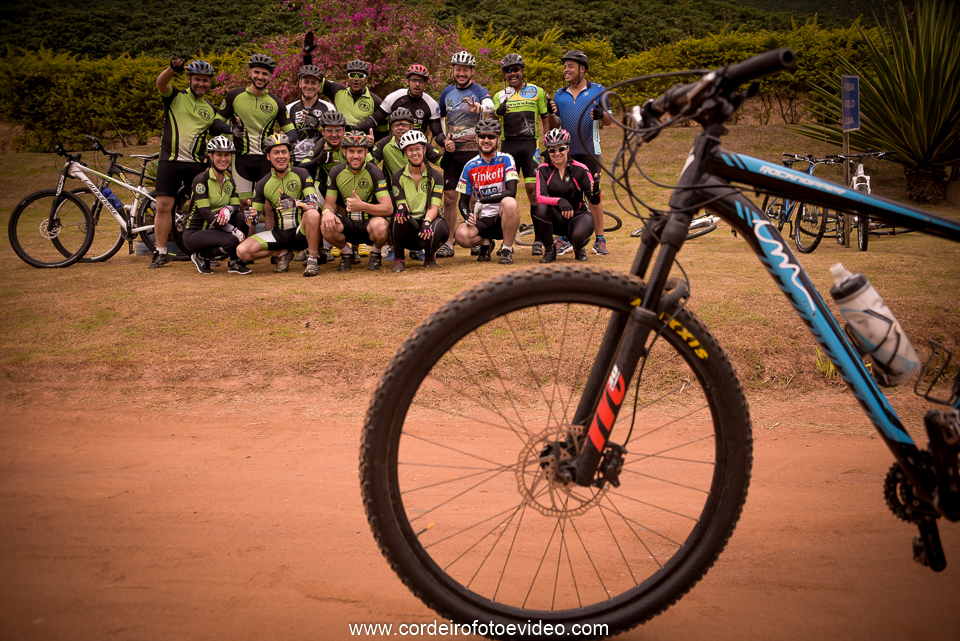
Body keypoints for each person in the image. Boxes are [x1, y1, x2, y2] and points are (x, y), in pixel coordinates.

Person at [150, 58, 233, 269]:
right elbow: (161, 83)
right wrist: (172, 69)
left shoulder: (210, 109)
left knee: (204, 207)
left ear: (210, 82)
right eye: (197, 79)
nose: (201, 83)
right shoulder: (175, 97)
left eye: (205, 80)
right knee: (163, 206)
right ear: (189, 79)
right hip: (170, 160)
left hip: (196, 164)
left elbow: (219, 131)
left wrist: (234, 129)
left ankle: (205, 252)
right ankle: (161, 252)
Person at [235, 133, 323, 277]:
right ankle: (282, 252)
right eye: (276, 153)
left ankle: (312, 260)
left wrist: (294, 203)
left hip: (300, 232)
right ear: (268, 156)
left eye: (284, 152)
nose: (280, 156)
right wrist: (249, 216)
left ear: (289, 154)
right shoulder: (263, 183)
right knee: (242, 251)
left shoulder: (302, 173)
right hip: (279, 234)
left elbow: (314, 204)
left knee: (312, 214)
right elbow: (254, 221)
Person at [215, 54, 298, 208]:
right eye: (257, 72)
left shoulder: (276, 102)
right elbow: (216, 122)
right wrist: (231, 129)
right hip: (241, 159)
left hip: (265, 161)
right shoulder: (234, 96)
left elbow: (292, 132)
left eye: (264, 74)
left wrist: (282, 142)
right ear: (250, 73)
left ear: (270, 76)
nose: (260, 77)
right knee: (243, 204)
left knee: (268, 205)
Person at [553, 50, 614, 255]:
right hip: (566, 153)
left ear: (582, 69)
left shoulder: (598, 90)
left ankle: (600, 239)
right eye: (564, 66)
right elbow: (555, 124)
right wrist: (551, 114)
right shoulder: (559, 94)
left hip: (590, 151)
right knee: (565, 194)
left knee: (593, 195)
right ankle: (565, 238)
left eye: (570, 66)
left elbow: (609, 122)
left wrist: (601, 114)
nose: (566, 70)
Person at [436, 51, 495, 259]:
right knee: (450, 198)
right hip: (453, 153)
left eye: (465, 70)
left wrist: (481, 107)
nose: (461, 73)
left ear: (472, 71)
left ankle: (476, 237)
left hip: (474, 153)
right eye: (458, 69)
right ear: (452, 70)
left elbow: (490, 105)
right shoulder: (446, 92)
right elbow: (440, 118)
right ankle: (448, 242)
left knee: (474, 198)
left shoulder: (479, 90)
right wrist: (444, 141)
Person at [492, 53, 553, 256]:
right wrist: (497, 113)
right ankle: (505, 242)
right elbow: (491, 123)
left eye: (516, 69)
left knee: (533, 193)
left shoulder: (536, 91)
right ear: (504, 74)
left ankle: (538, 239)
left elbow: (545, 119)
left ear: (522, 70)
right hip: (507, 148)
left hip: (530, 147)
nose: (512, 74)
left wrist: (547, 145)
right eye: (508, 71)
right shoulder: (499, 96)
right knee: (506, 194)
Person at [319, 132, 393, 271]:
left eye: (360, 151)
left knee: (381, 226)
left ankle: (376, 252)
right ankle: (347, 253)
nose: (356, 156)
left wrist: (362, 206)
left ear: (366, 152)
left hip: (369, 223)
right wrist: (327, 212)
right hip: (347, 224)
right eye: (351, 151)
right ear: (344, 152)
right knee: (325, 225)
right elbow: (328, 203)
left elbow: (388, 208)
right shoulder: (335, 172)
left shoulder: (375, 172)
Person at [453, 119, 520, 265]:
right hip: (481, 220)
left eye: (491, 136)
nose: (486, 140)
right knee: (460, 235)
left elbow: (511, 192)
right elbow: (463, 201)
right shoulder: (469, 166)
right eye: (482, 136)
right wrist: (467, 215)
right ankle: (486, 243)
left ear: (498, 139)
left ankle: (507, 249)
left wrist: (483, 200)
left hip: (501, 218)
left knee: (510, 202)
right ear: (477, 139)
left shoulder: (507, 159)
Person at [182, 136, 251, 274]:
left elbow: (237, 206)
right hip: (195, 232)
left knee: (242, 218)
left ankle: (234, 262)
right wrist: (233, 230)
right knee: (232, 241)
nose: (223, 159)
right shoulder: (201, 180)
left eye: (227, 155)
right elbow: (206, 214)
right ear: (211, 156)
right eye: (219, 154)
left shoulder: (230, 181)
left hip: (215, 228)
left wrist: (228, 209)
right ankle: (201, 256)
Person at [533, 129, 597, 263]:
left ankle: (579, 246)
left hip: (579, 215)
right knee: (540, 208)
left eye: (561, 148)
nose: (557, 153)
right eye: (552, 150)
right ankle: (549, 250)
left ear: (567, 148)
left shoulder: (581, 168)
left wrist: (596, 192)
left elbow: (594, 200)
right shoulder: (543, 169)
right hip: (557, 218)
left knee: (577, 236)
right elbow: (540, 197)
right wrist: (559, 201)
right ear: (548, 151)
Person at [390, 130, 450, 272]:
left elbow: (434, 207)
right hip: (410, 224)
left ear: (424, 149)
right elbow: (401, 203)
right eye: (410, 150)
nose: (414, 153)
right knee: (398, 216)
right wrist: (402, 208)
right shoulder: (398, 176)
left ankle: (429, 254)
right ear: (405, 152)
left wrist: (427, 221)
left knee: (437, 227)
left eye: (417, 148)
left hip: (429, 219)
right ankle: (399, 258)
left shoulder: (436, 176)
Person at [355, 64, 444, 142]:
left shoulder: (431, 103)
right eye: (414, 80)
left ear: (425, 84)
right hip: (395, 145)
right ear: (408, 82)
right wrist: (356, 128)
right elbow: (374, 119)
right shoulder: (394, 97)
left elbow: (437, 134)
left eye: (421, 81)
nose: (417, 84)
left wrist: (445, 142)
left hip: (417, 147)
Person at [371, 108, 443, 191]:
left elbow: (443, 163)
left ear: (411, 127)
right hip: (393, 192)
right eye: (396, 125)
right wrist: (369, 147)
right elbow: (370, 165)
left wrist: (449, 151)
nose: (400, 128)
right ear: (392, 128)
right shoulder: (383, 144)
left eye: (404, 124)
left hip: (419, 190)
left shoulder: (421, 143)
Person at [318, 60, 387, 140]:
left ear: (366, 78)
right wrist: (307, 56)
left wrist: (372, 141)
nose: (356, 79)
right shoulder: (337, 91)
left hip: (362, 145)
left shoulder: (376, 101)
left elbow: (384, 132)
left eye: (360, 76)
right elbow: (314, 76)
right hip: (339, 143)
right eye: (352, 75)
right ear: (348, 77)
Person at [287, 64, 334, 165]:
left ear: (319, 86)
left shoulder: (328, 107)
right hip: (296, 162)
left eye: (313, 83)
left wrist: (318, 126)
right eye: (306, 82)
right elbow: (284, 137)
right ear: (300, 83)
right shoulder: (289, 108)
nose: (309, 86)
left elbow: (334, 137)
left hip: (320, 161)